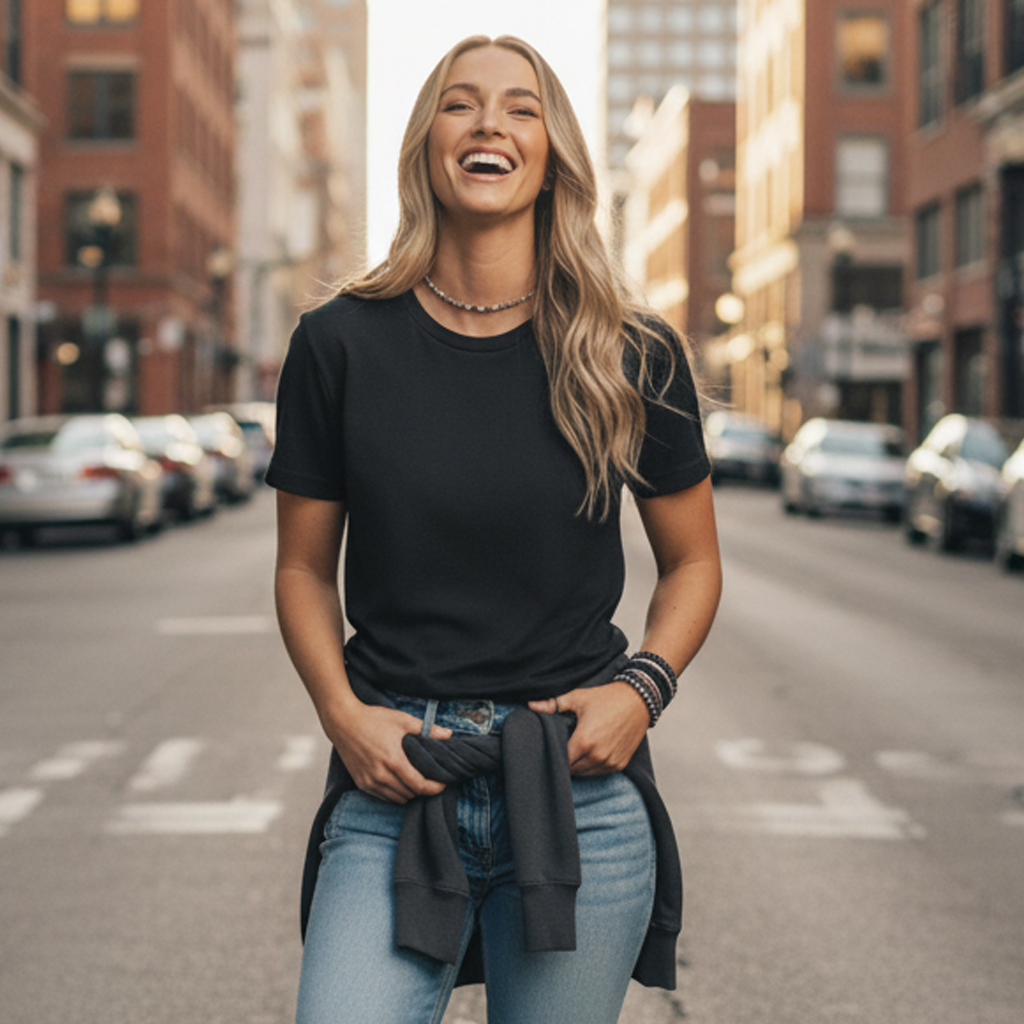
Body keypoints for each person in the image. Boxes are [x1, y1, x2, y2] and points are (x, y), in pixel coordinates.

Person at [267, 33, 722, 1024]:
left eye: (521, 108)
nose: (490, 124)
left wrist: (641, 691)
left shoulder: (628, 348)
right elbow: (302, 570)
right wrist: (342, 715)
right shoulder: (338, 342)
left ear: (553, 154)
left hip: (574, 789)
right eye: (460, 102)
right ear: (426, 145)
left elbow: (692, 562)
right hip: (398, 780)